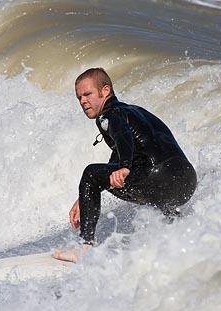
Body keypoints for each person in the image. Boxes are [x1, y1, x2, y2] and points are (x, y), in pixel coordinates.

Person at [53, 68, 196, 262]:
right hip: (186, 181)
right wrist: (85, 195)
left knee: (90, 173)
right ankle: (183, 232)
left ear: (105, 91)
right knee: (147, 189)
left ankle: (85, 249)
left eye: (88, 94)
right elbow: (125, 149)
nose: (83, 101)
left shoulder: (109, 115)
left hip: (157, 177)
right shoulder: (136, 112)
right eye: (79, 98)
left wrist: (124, 167)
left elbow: (123, 137)